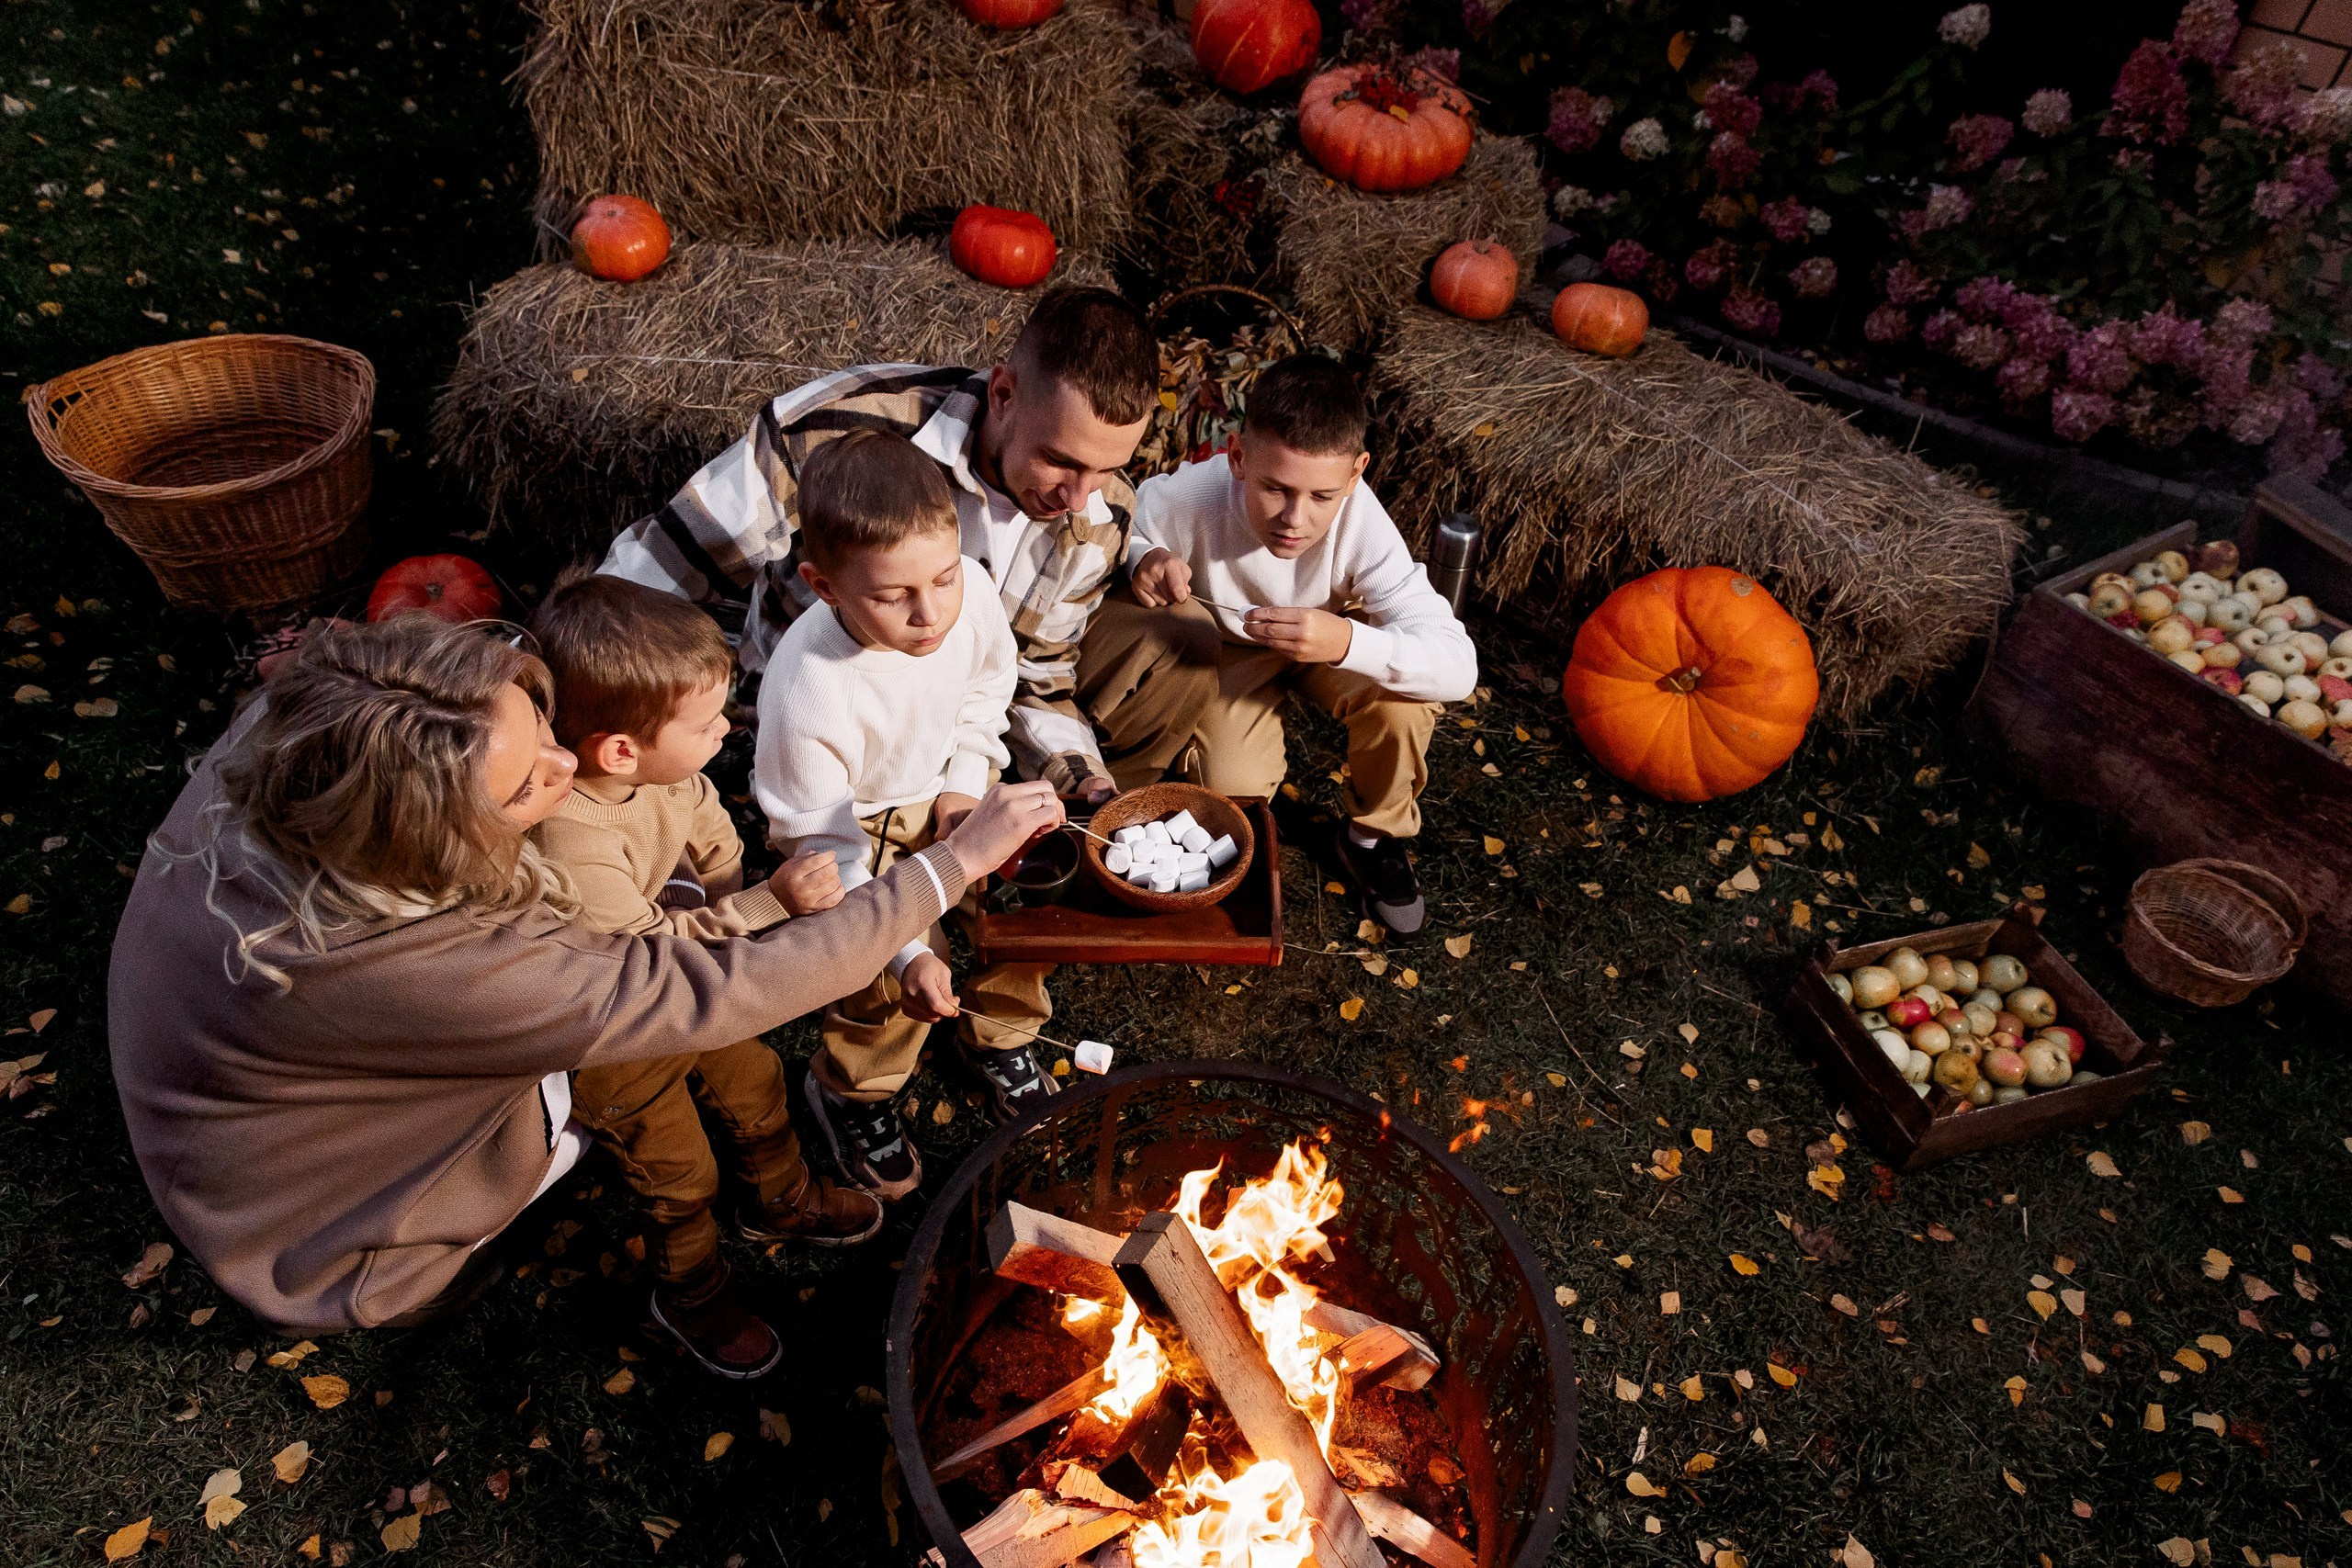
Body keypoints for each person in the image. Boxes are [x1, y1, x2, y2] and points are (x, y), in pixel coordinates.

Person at [106, 615, 1060, 1337]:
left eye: (544, 727)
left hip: (219, 1076)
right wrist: (951, 864)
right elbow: (708, 990)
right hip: (310, 1230)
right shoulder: (424, 966)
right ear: (427, 846)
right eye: (527, 788)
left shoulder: (311, 731)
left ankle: (765, 1189)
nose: (568, 765)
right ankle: (644, 1279)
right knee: (648, 1112)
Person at [597, 285, 1220, 801]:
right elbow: (664, 567)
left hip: (955, 738)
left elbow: (1036, 675)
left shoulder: (1102, 513)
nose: (1079, 498)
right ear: (1002, 394)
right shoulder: (833, 432)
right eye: (1059, 461)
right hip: (812, 715)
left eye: (1105, 469)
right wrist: (575, 681)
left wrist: (1083, 783)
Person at [524, 573, 884, 1378]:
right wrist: (764, 907)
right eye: (707, 720)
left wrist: (737, 885)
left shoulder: (667, 772)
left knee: (755, 1084)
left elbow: (709, 831)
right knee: (679, 1171)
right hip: (611, 1030)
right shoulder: (571, 842)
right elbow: (649, 950)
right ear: (620, 749)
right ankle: (688, 1291)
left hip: (684, 990)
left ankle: (780, 1200)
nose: (726, 726)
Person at [752, 431, 1048, 1202]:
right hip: (859, 833)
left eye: (943, 579)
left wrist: (964, 781)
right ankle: (857, 1089)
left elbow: (988, 686)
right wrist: (905, 953)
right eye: (893, 596)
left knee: (1005, 921)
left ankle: (1006, 1034)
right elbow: (825, 856)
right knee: (875, 979)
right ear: (825, 587)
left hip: (950, 794)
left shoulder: (969, 594)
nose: (931, 614)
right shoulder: (806, 689)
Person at [1127, 355, 1478, 936]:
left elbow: (1458, 666)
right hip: (1231, 650)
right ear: (1238, 457)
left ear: (1357, 471)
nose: (1296, 518)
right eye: (1275, 488)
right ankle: (1241, 773)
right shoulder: (1192, 496)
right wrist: (1145, 557)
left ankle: (1370, 837)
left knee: (1405, 703)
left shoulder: (1363, 522)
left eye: (1322, 496)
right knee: (1232, 795)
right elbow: (1121, 520)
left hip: (1334, 638)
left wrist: (1344, 641)